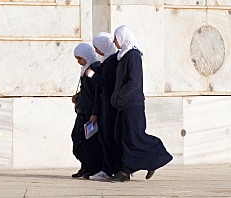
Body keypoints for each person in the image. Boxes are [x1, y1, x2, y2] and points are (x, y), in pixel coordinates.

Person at [109, 24, 172, 182]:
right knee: (121, 136)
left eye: (116, 38)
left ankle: (153, 155)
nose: (114, 41)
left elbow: (134, 82)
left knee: (134, 137)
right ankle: (135, 165)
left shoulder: (133, 55)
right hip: (124, 105)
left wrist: (120, 95)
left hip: (132, 104)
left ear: (123, 38)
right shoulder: (122, 56)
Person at [86, 32, 121, 182]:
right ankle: (108, 168)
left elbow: (108, 84)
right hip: (105, 105)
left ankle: (109, 169)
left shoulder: (113, 61)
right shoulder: (107, 60)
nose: (96, 51)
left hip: (110, 106)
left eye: (97, 48)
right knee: (105, 138)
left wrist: (93, 76)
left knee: (108, 138)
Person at [71, 42, 105, 179]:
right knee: (77, 139)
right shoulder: (86, 70)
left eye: (80, 58)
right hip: (83, 110)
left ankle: (92, 168)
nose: (79, 62)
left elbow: (97, 93)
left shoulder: (94, 69)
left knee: (89, 142)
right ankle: (85, 166)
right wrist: (78, 97)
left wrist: (94, 113)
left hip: (90, 112)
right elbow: (88, 91)